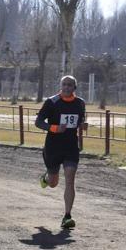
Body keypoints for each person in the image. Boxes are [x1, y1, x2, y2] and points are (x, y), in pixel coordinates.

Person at [35, 75, 86, 229]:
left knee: (70, 179)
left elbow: (78, 121)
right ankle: (47, 177)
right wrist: (55, 128)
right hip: (53, 147)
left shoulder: (80, 103)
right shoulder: (52, 102)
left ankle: (67, 216)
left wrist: (82, 125)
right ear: (60, 86)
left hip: (71, 146)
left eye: (70, 85)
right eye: (64, 84)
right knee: (53, 183)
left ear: (74, 88)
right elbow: (38, 122)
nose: (66, 87)